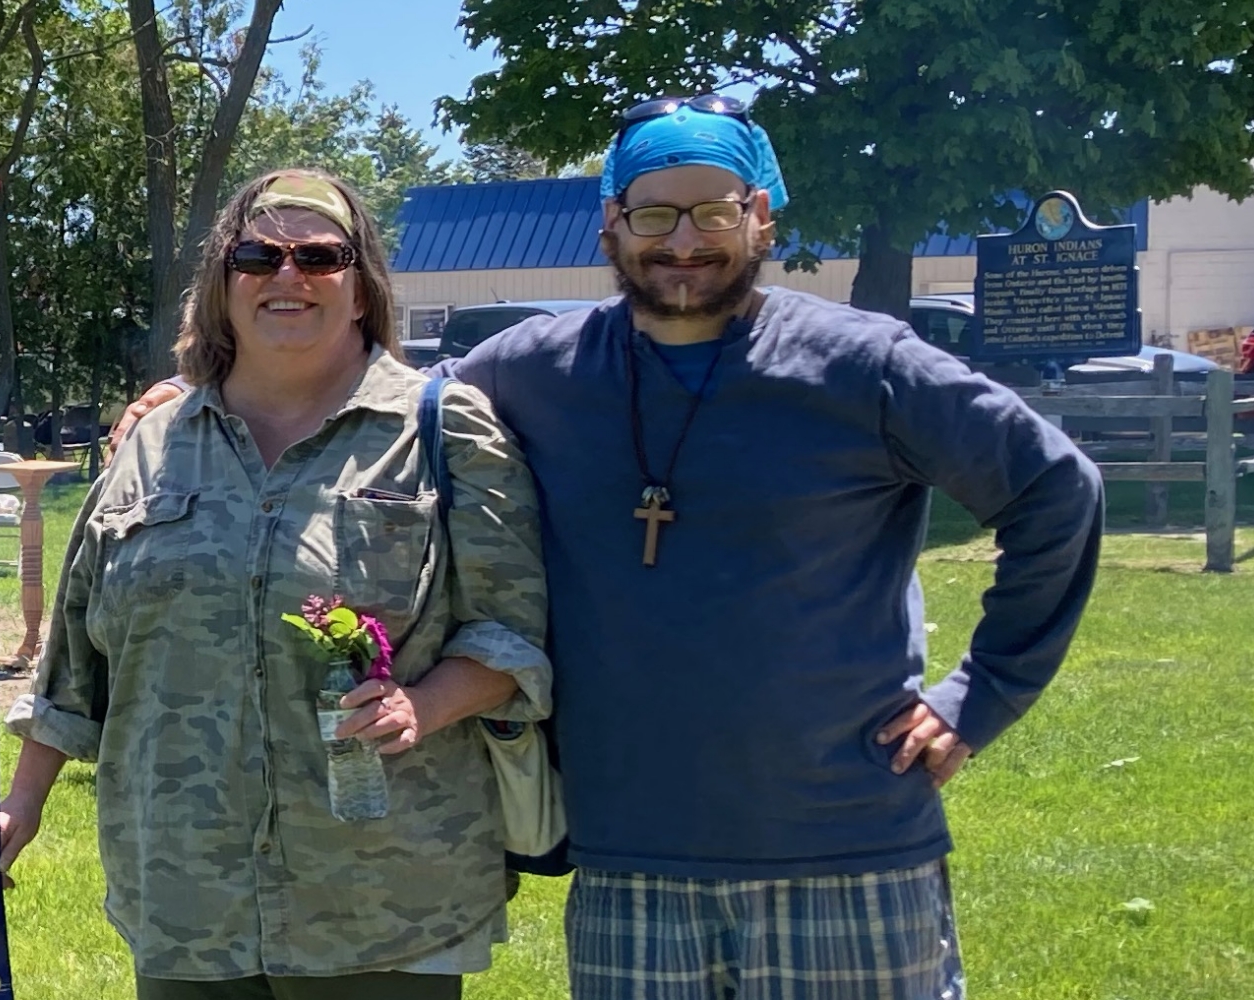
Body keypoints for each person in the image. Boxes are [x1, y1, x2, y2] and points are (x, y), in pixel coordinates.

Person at [113, 98, 1105, 1000]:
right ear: (609, 224)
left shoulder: (863, 366)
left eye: (712, 212)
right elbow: (367, 394)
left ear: (761, 218)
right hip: (628, 862)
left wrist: (977, 697)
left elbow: (1056, 492)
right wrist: (206, 399)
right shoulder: (532, 371)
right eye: (653, 214)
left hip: (844, 842)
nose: (684, 242)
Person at [0, 168, 551, 1000]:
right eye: (257, 256)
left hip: (382, 901)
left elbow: (512, 630)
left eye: (319, 256)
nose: (287, 275)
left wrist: (421, 704)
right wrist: (25, 805)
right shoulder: (151, 444)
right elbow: (78, 657)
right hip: (186, 895)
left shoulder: (446, 428)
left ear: (361, 289)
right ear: (222, 288)